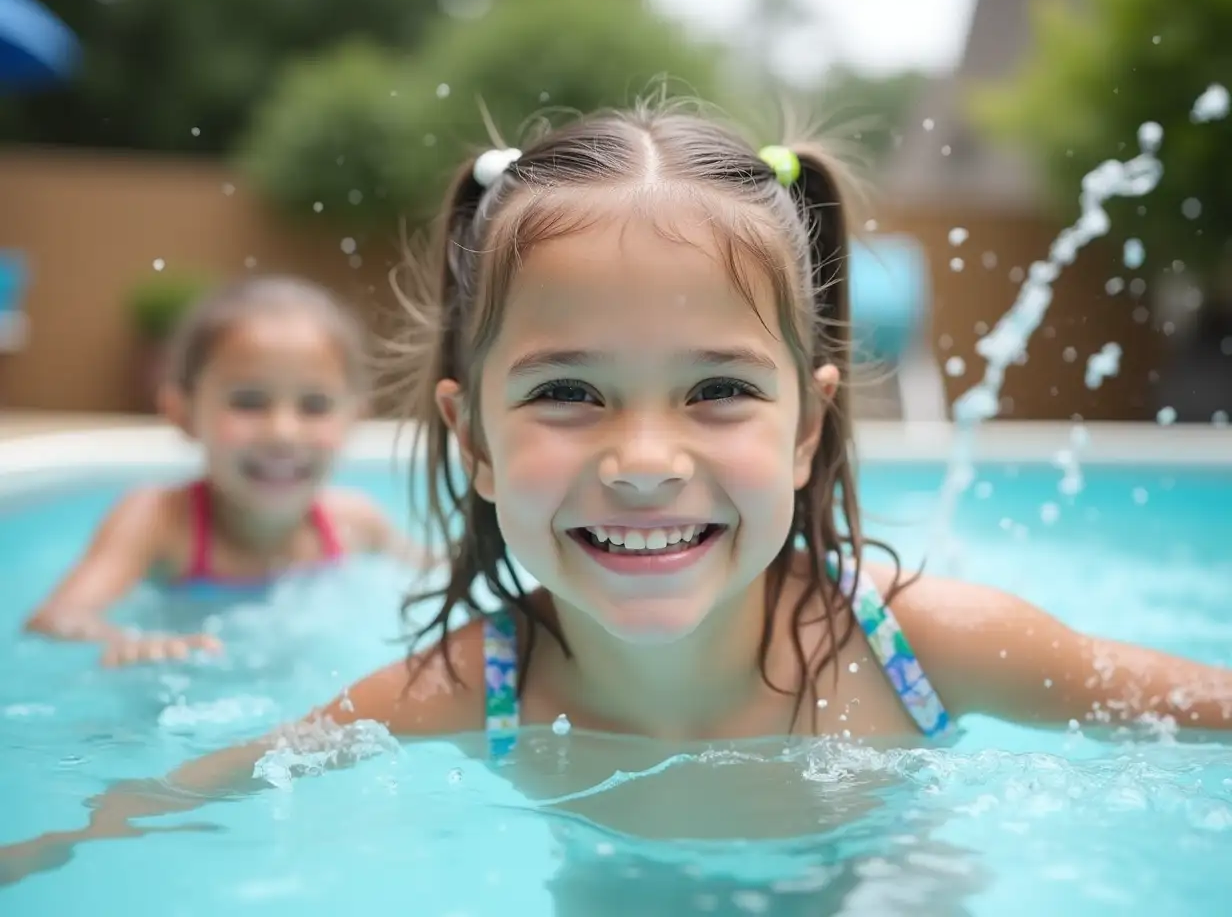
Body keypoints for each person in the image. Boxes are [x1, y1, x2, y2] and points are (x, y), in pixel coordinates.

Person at [5, 99, 1232, 898]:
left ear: (806, 428)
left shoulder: (922, 647)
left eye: (714, 390)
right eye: (569, 392)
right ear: (469, 438)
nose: (643, 457)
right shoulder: (461, 690)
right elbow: (181, 792)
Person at [23, 275, 434, 667]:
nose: (283, 433)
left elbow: (437, 578)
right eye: (249, 401)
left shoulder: (357, 524)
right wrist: (125, 642)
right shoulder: (158, 521)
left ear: (353, 419)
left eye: (315, 405)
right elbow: (58, 618)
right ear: (181, 413)